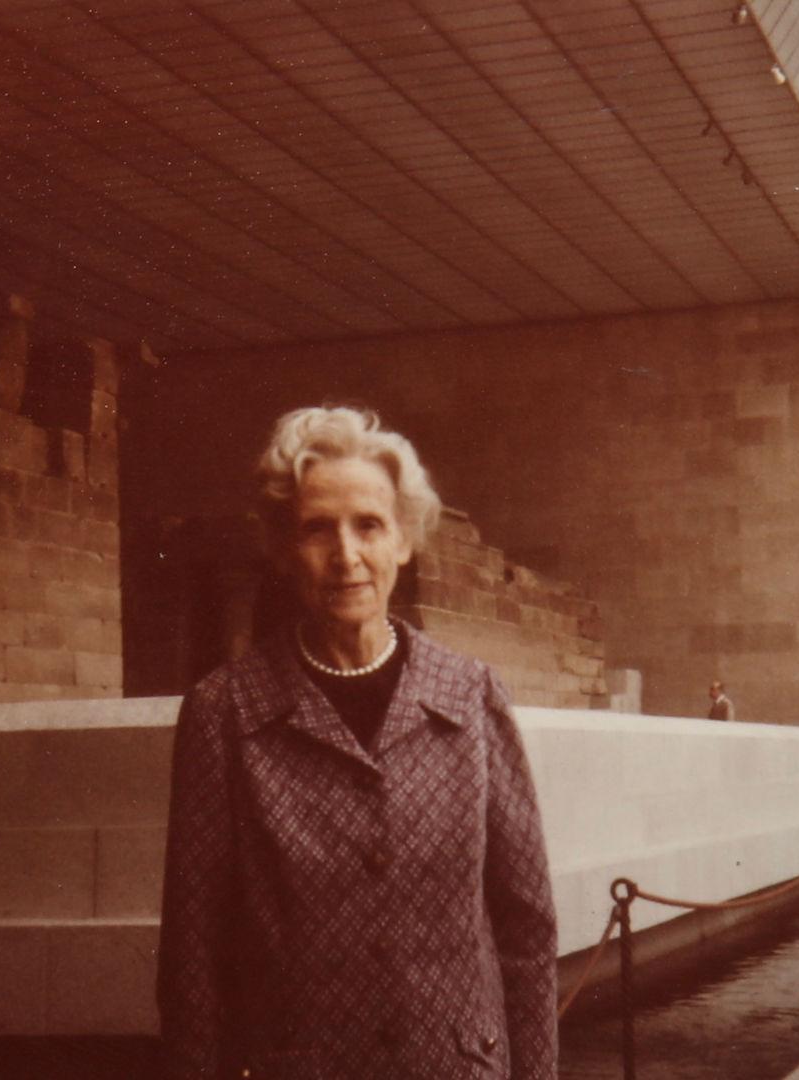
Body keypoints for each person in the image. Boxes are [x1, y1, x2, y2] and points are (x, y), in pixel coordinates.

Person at [157, 406, 558, 1079]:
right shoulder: (224, 713)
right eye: (318, 529)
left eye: (368, 525)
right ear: (285, 548)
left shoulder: (471, 697)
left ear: (403, 540)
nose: (346, 555)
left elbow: (528, 931)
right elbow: (192, 957)